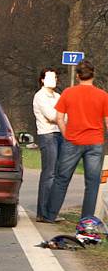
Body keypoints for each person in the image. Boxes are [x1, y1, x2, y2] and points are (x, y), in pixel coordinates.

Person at [43, 60, 108, 222]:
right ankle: (86, 220)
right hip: (95, 142)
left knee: (62, 179)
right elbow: (107, 121)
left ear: (78, 76)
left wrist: (66, 134)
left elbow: (59, 117)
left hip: (72, 141)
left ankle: (50, 215)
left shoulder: (68, 93)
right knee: (92, 184)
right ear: (93, 75)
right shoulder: (103, 96)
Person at [32, 67, 62, 222]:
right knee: (48, 174)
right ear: (43, 80)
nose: (54, 80)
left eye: (56, 77)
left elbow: (65, 114)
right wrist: (62, 116)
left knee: (57, 174)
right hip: (47, 135)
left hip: (60, 134)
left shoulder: (58, 96)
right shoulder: (40, 96)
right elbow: (51, 116)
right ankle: (42, 213)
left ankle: (51, 212)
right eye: (51, 77)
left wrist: (62, 117)